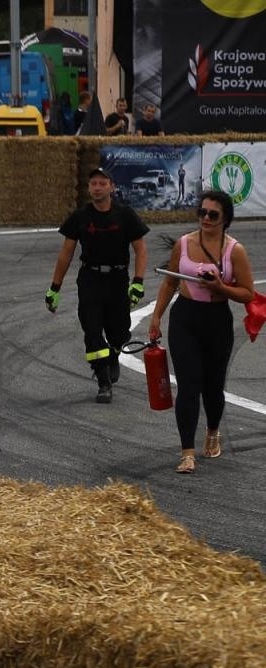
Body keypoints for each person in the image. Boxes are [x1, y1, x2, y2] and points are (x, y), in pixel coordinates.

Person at [147, 191, 256, 473]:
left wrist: (220, 288)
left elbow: (247, 294)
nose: (206, 218)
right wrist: (157, 316)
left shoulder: (235, 250)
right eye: (202, 213)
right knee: (188, 386)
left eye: (213, 214)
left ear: (225, 219)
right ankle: (187, 452)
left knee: (212, 387)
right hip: (185, 317)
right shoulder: (183, 244)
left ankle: (212, 430)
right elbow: (170, 282)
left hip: (217, 321)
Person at [46, 168, 149, 404]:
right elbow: (66, 253)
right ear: (89, 188)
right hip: (90, 280)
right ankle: (103, 381)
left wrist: (138, 283)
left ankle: (113, 355)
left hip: (118, 280)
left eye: (102, 183)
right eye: (93, 183)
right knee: (92, 331)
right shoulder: (80, 217)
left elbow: (141, 250)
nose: (97, 187)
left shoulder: (125, 215)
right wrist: (54, 287)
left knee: (120, 331)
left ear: (112, 187)